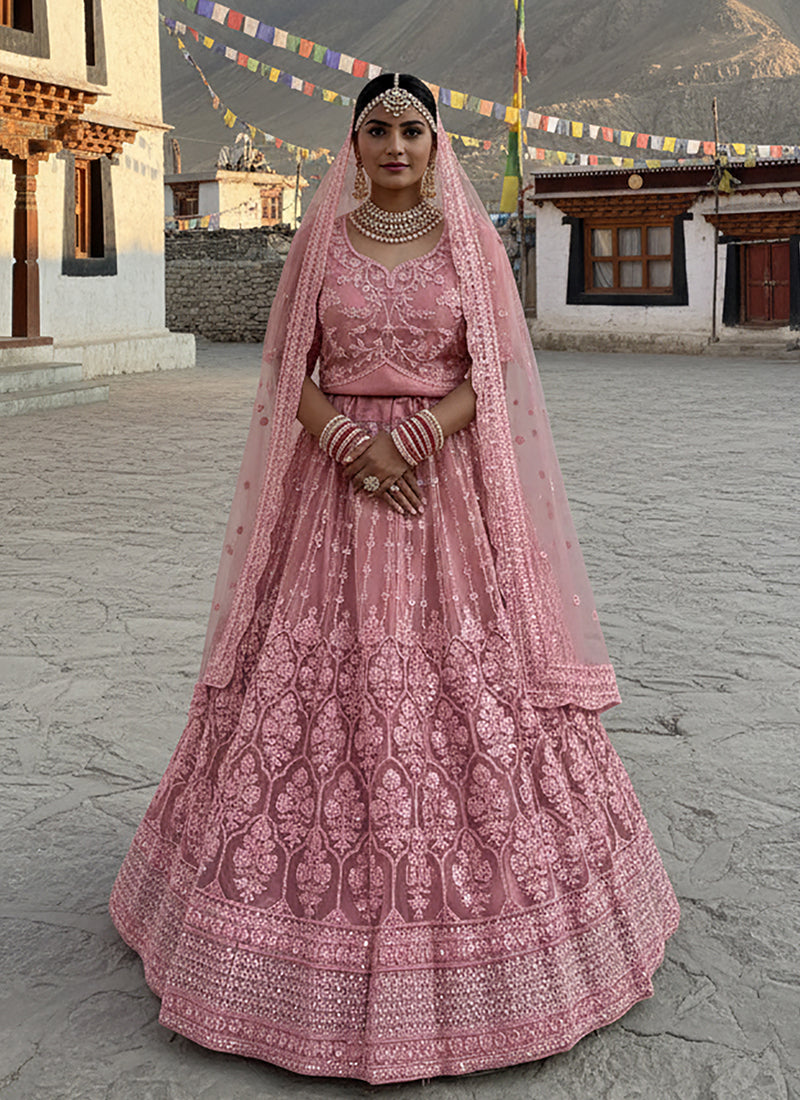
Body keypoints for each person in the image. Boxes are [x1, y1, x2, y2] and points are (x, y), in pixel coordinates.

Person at [110, 73, 679, 1085]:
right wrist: (350, 447)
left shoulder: (468, 245)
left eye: (412, 130)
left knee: (472, 694)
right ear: (353, 145)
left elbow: (491, 372)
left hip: (444, 494)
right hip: (333, 501)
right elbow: (290, 376)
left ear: (434, 143)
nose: (395, 145)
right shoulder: (319, 246)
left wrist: (413, 434)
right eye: (376, 129)